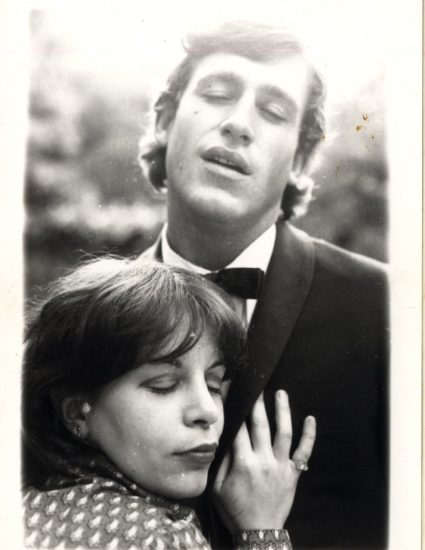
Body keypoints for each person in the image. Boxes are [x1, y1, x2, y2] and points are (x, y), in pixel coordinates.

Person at [139, 21, 389, 550]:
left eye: (273, 111)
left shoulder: (387, 310)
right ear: (164, 120)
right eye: (216, 94)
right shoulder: (87, 318)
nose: (238, 124)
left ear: (300, 160)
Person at [22, 258, 316, 550]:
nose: (208, 411)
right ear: (76, 412)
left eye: (214, 385)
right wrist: (263, 535)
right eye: (164, 386)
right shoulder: (160, 538)